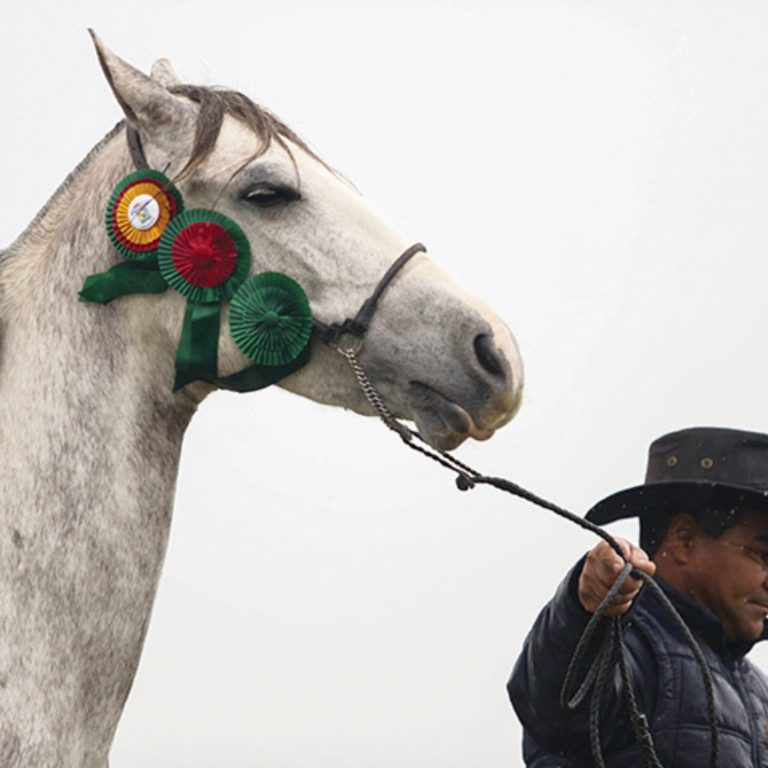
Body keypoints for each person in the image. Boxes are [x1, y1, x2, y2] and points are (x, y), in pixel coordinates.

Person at [508, 426, 768, 767]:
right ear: (684, 538)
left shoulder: (756, 690)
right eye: (762, 554)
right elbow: (555, 709)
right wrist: (585, 608)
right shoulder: (623, 644)